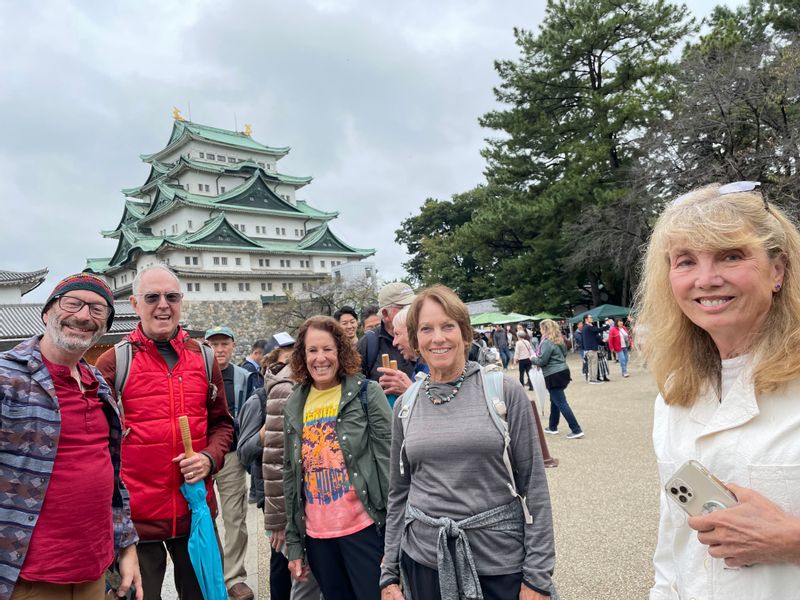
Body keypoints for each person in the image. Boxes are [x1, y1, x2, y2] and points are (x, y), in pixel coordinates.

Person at [636, 181, 800, 599]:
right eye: (685, 261)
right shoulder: (675, 393)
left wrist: (792, 541)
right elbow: (673, 540)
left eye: (731, 255)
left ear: (777, 270)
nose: (706, 279)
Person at [380, 285, 555, 600]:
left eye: (448, 326)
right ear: (416, 339)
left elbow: (534, 488)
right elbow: (398, 494)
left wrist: (538, 576)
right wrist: (388, 574)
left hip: (498, 562)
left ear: (464, 332)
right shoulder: (406, 404)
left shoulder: (503, 392)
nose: (438, 338)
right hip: (424, 561)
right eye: (426, 329)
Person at [96, 265, 234, 599]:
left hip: (194, 514)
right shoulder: (114, 362)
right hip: (136, 523)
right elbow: (96, 442)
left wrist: (208, 457)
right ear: (133, 302)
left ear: (181, 302)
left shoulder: (203, 358)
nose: (163, 305)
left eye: (171, 297)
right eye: (152, 297)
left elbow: (222, 425)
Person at [0, 274, 142, 600]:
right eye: (72, 303)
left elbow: (113, 477)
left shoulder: (99, 386)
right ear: (47, 313)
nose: (83, 315)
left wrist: (126, 543)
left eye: (96, 309)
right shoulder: (8, 378)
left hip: (92, 572)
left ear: (105, 326)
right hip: (25, 577)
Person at [284, 316, 392, 599]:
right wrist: (295, 544)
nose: (320, 358)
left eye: (328, 349)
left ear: (340, 351)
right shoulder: (294, 404)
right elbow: (291, 476)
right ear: (302, 356)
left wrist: (395, 538)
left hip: (365, 530)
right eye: (312, 350)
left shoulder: (367, 394)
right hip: (318, 539)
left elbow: (391, 466)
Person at [205, 326, 257, 600]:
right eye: (214, 344)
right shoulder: (198, 373)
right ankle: (210, 575)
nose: (220, 349)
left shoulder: (245, 376)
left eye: (224, 343)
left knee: (235, 517)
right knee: (203, 517)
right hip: (200, 455)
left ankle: (234, 576)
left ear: (233, 346)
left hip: (232, 455)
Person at [534, 319, 584, 439]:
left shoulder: (546, 342)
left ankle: (576, 429)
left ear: (545, 329)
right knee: (555, 400)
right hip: (563, 371)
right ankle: (552, 426)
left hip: (553, 374)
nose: (540, 330)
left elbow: (542, 361)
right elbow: (564, 354)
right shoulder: (559, 340)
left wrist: (531, 358)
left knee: (561, 402)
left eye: (541, 328)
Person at [357, 282, 416, 384]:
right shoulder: (368, 344)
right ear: (385, 314)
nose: (411, 311)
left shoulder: (425, 337)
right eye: (404, 307)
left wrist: (409, 391)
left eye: (414, 305)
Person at [581, 315, 602, 383]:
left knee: (590, 364)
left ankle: (591, 379)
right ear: (586, 319)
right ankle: (594, 379)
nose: (592, 318)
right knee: (594, 364)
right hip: (591, 349)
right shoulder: (588, 327)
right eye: (590, 317)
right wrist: (607, 326)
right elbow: (597, 330)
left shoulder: (585, 327)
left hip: (588, 349)